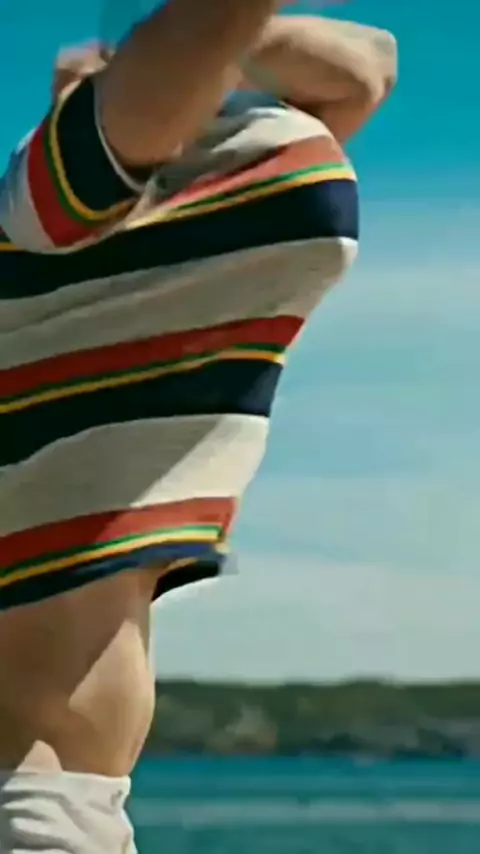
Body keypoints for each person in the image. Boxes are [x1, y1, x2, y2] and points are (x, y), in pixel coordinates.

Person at [0, 2, 397, 851]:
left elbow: (369, 66)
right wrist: (137, 62)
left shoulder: (144, 282)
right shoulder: (53, 213)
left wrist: (178, 52)